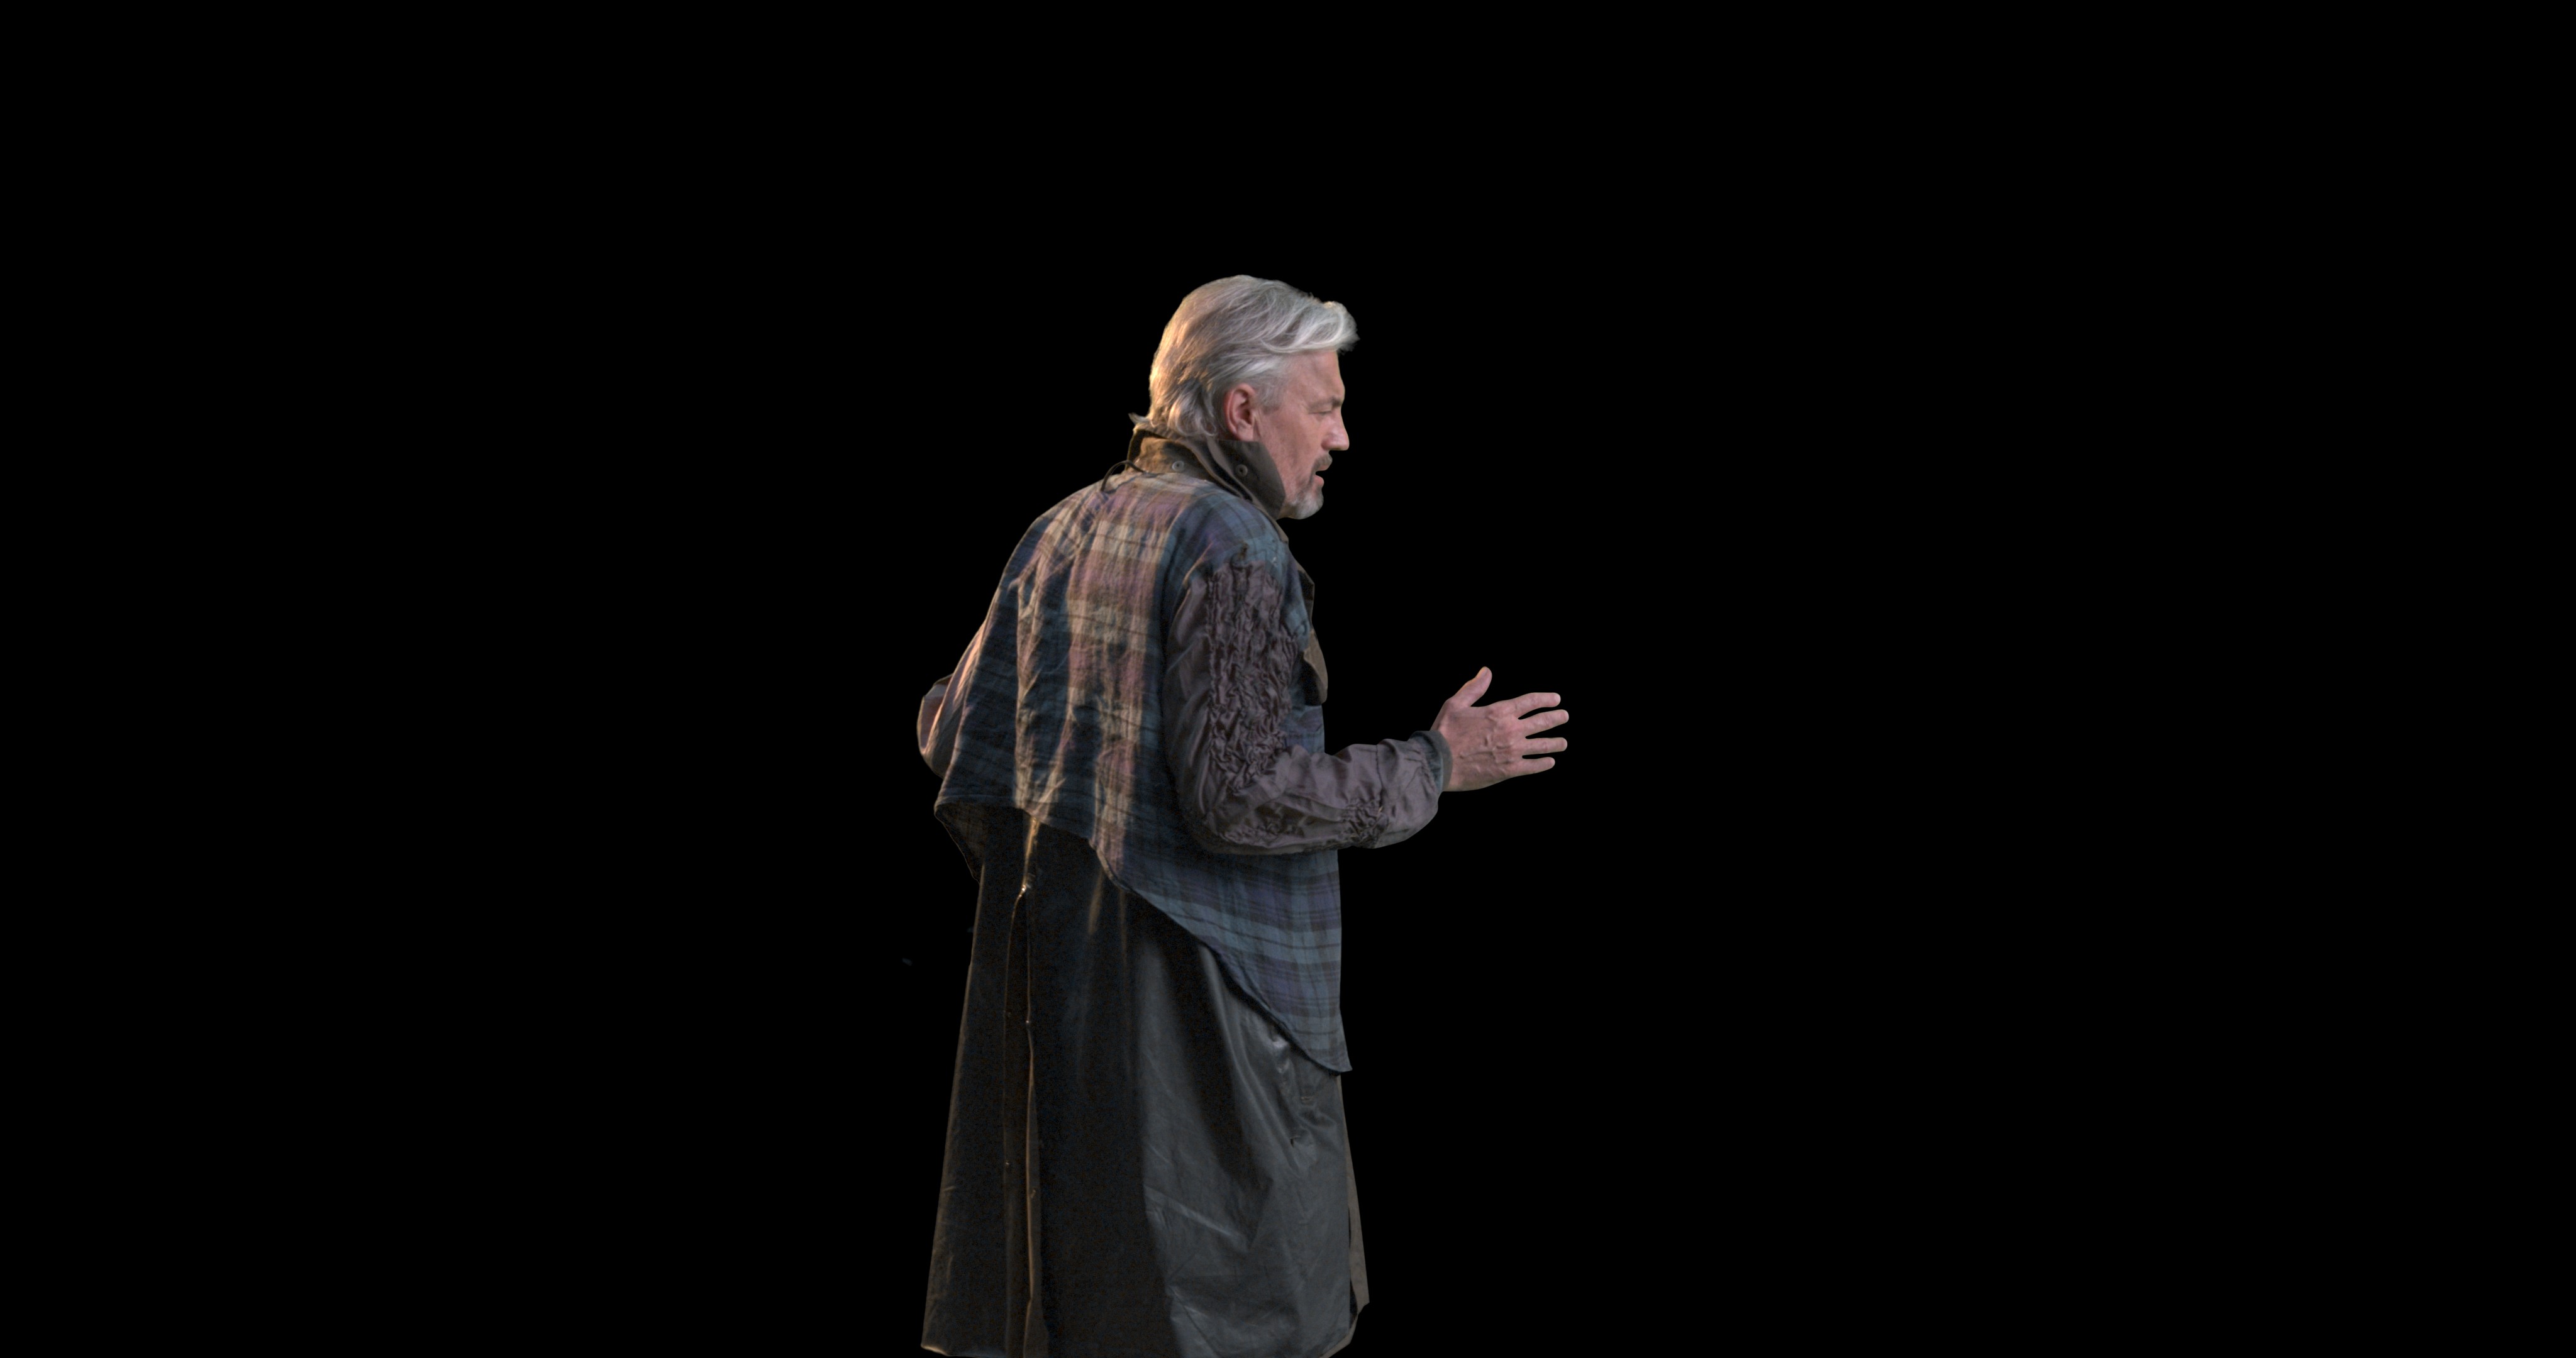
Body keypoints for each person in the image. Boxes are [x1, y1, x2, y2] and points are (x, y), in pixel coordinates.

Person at [916, 276, 1568, 1358]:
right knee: (1233, 1318)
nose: (1342, 437)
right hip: (1206, 1022)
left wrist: (1085, 754)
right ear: (1243, 410)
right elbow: (1243, 796)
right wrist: (1437, 764)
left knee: (1095, 1313)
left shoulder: (1067, 525)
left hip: (1065, 1012)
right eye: (1327, 407)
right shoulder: (1227, 543)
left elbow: (951, 730)